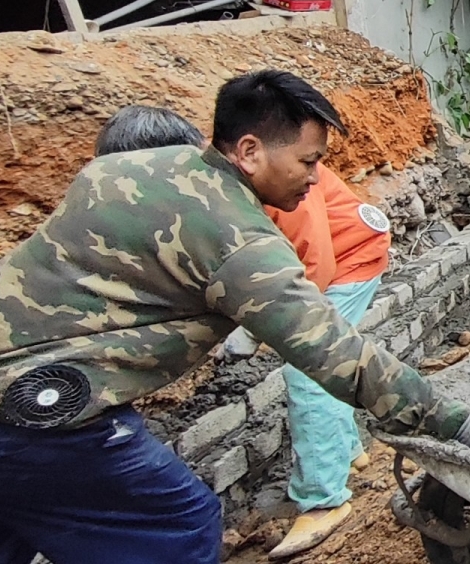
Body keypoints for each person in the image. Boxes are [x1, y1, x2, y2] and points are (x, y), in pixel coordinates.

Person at [0, 70, 470, 564]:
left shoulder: (125, 167)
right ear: (248, 150)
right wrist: (458, 423)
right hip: (14, 416)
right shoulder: (238, 239)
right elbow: (332, 352)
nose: (317, 179)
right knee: (178, 526)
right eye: (309, 161)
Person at [93, 104, 394, 559]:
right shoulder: (196, 189)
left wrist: (262, 328)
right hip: (315, 261)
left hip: (348, 259)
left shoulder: (268, 178)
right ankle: (346, 450)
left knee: (311, 374)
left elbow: (315, 265)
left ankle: (324, 499)